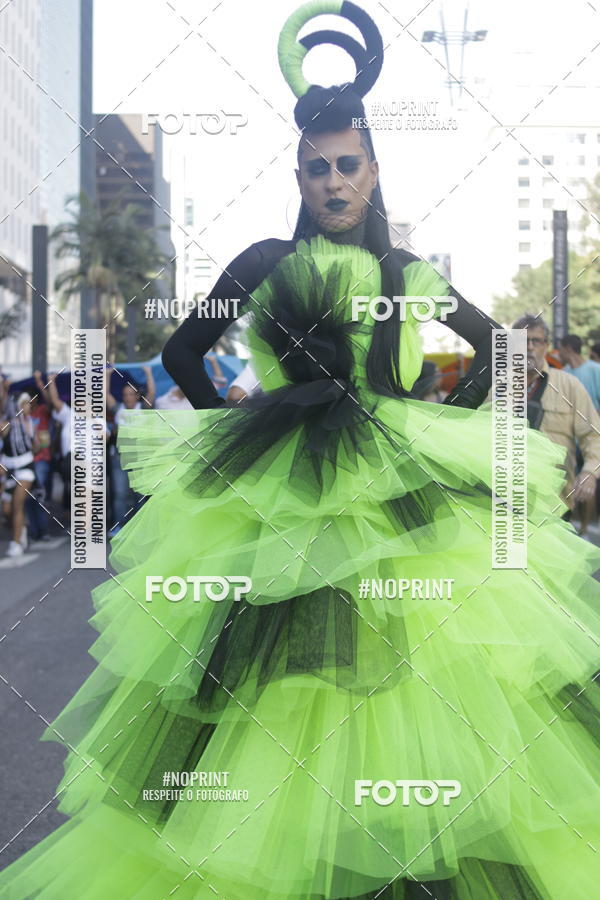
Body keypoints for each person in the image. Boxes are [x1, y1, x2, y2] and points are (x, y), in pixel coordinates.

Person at [2, 4, 600, 898]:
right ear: (299, 174)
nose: (334, 181)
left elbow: (498, 352)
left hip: (397, 488)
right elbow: (181, 355)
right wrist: (236, 428)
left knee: (430, 678)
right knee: (266, 682)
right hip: (279, 494)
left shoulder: (405, 272)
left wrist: (438, 424)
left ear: (373, 171)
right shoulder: (262, 260)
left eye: (348, 165)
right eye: (318, 167)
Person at [515, 314, 600, 529]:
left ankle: (584, 530)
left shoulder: (569, 384)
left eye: (536, 341)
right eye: (523, 340)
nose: (529, 347)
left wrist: (589, 472)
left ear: (546, 346)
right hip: (502, 502)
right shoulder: (493, 387)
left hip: (555, 504)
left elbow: (593, 433)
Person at [106, 365, 155, 536]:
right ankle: (118, 527)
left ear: (137, 396)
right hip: (119, 458)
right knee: (119, 494)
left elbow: (152, 393)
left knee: (139, 495)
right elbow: (106, 395)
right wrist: (107, 375)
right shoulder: (118, 410)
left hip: (140, 458)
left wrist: (148, 373)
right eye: (125, 394)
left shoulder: (143, 409)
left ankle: (139, 529)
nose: (127, 397)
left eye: (131, 394)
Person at [0, 386, 35, 557]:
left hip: (25, 467)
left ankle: (16, 543)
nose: (29, 406)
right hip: (9, 468)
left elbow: (33, 441)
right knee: (7, 510)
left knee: (17, 503)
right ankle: (22, 528)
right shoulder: (7, 423)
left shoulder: (29, 422)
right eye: (25, 403)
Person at [558, 333, 600, 410]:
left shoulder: (596, 369)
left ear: (568, 349)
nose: (559, 354)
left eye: (560, 349)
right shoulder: (563, 373)